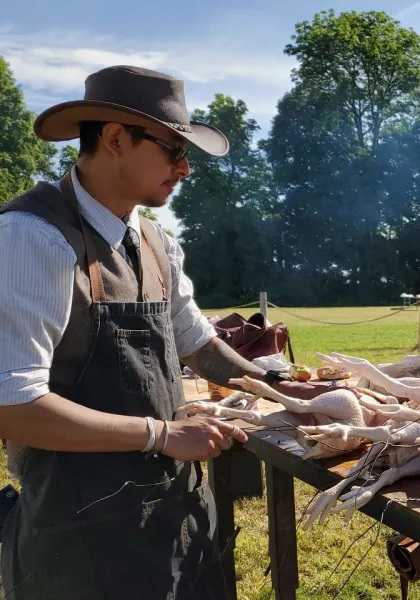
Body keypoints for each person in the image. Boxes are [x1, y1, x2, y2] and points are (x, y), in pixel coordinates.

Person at [0, 65, 319, 600]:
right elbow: (14, 407)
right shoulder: (33, 239)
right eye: (173, 149)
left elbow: (196, 342)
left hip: (171, 519)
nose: (186, 168)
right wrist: (163, 434)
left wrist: (276, 386)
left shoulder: (155, 242)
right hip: (79, 540)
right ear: (116, 139)